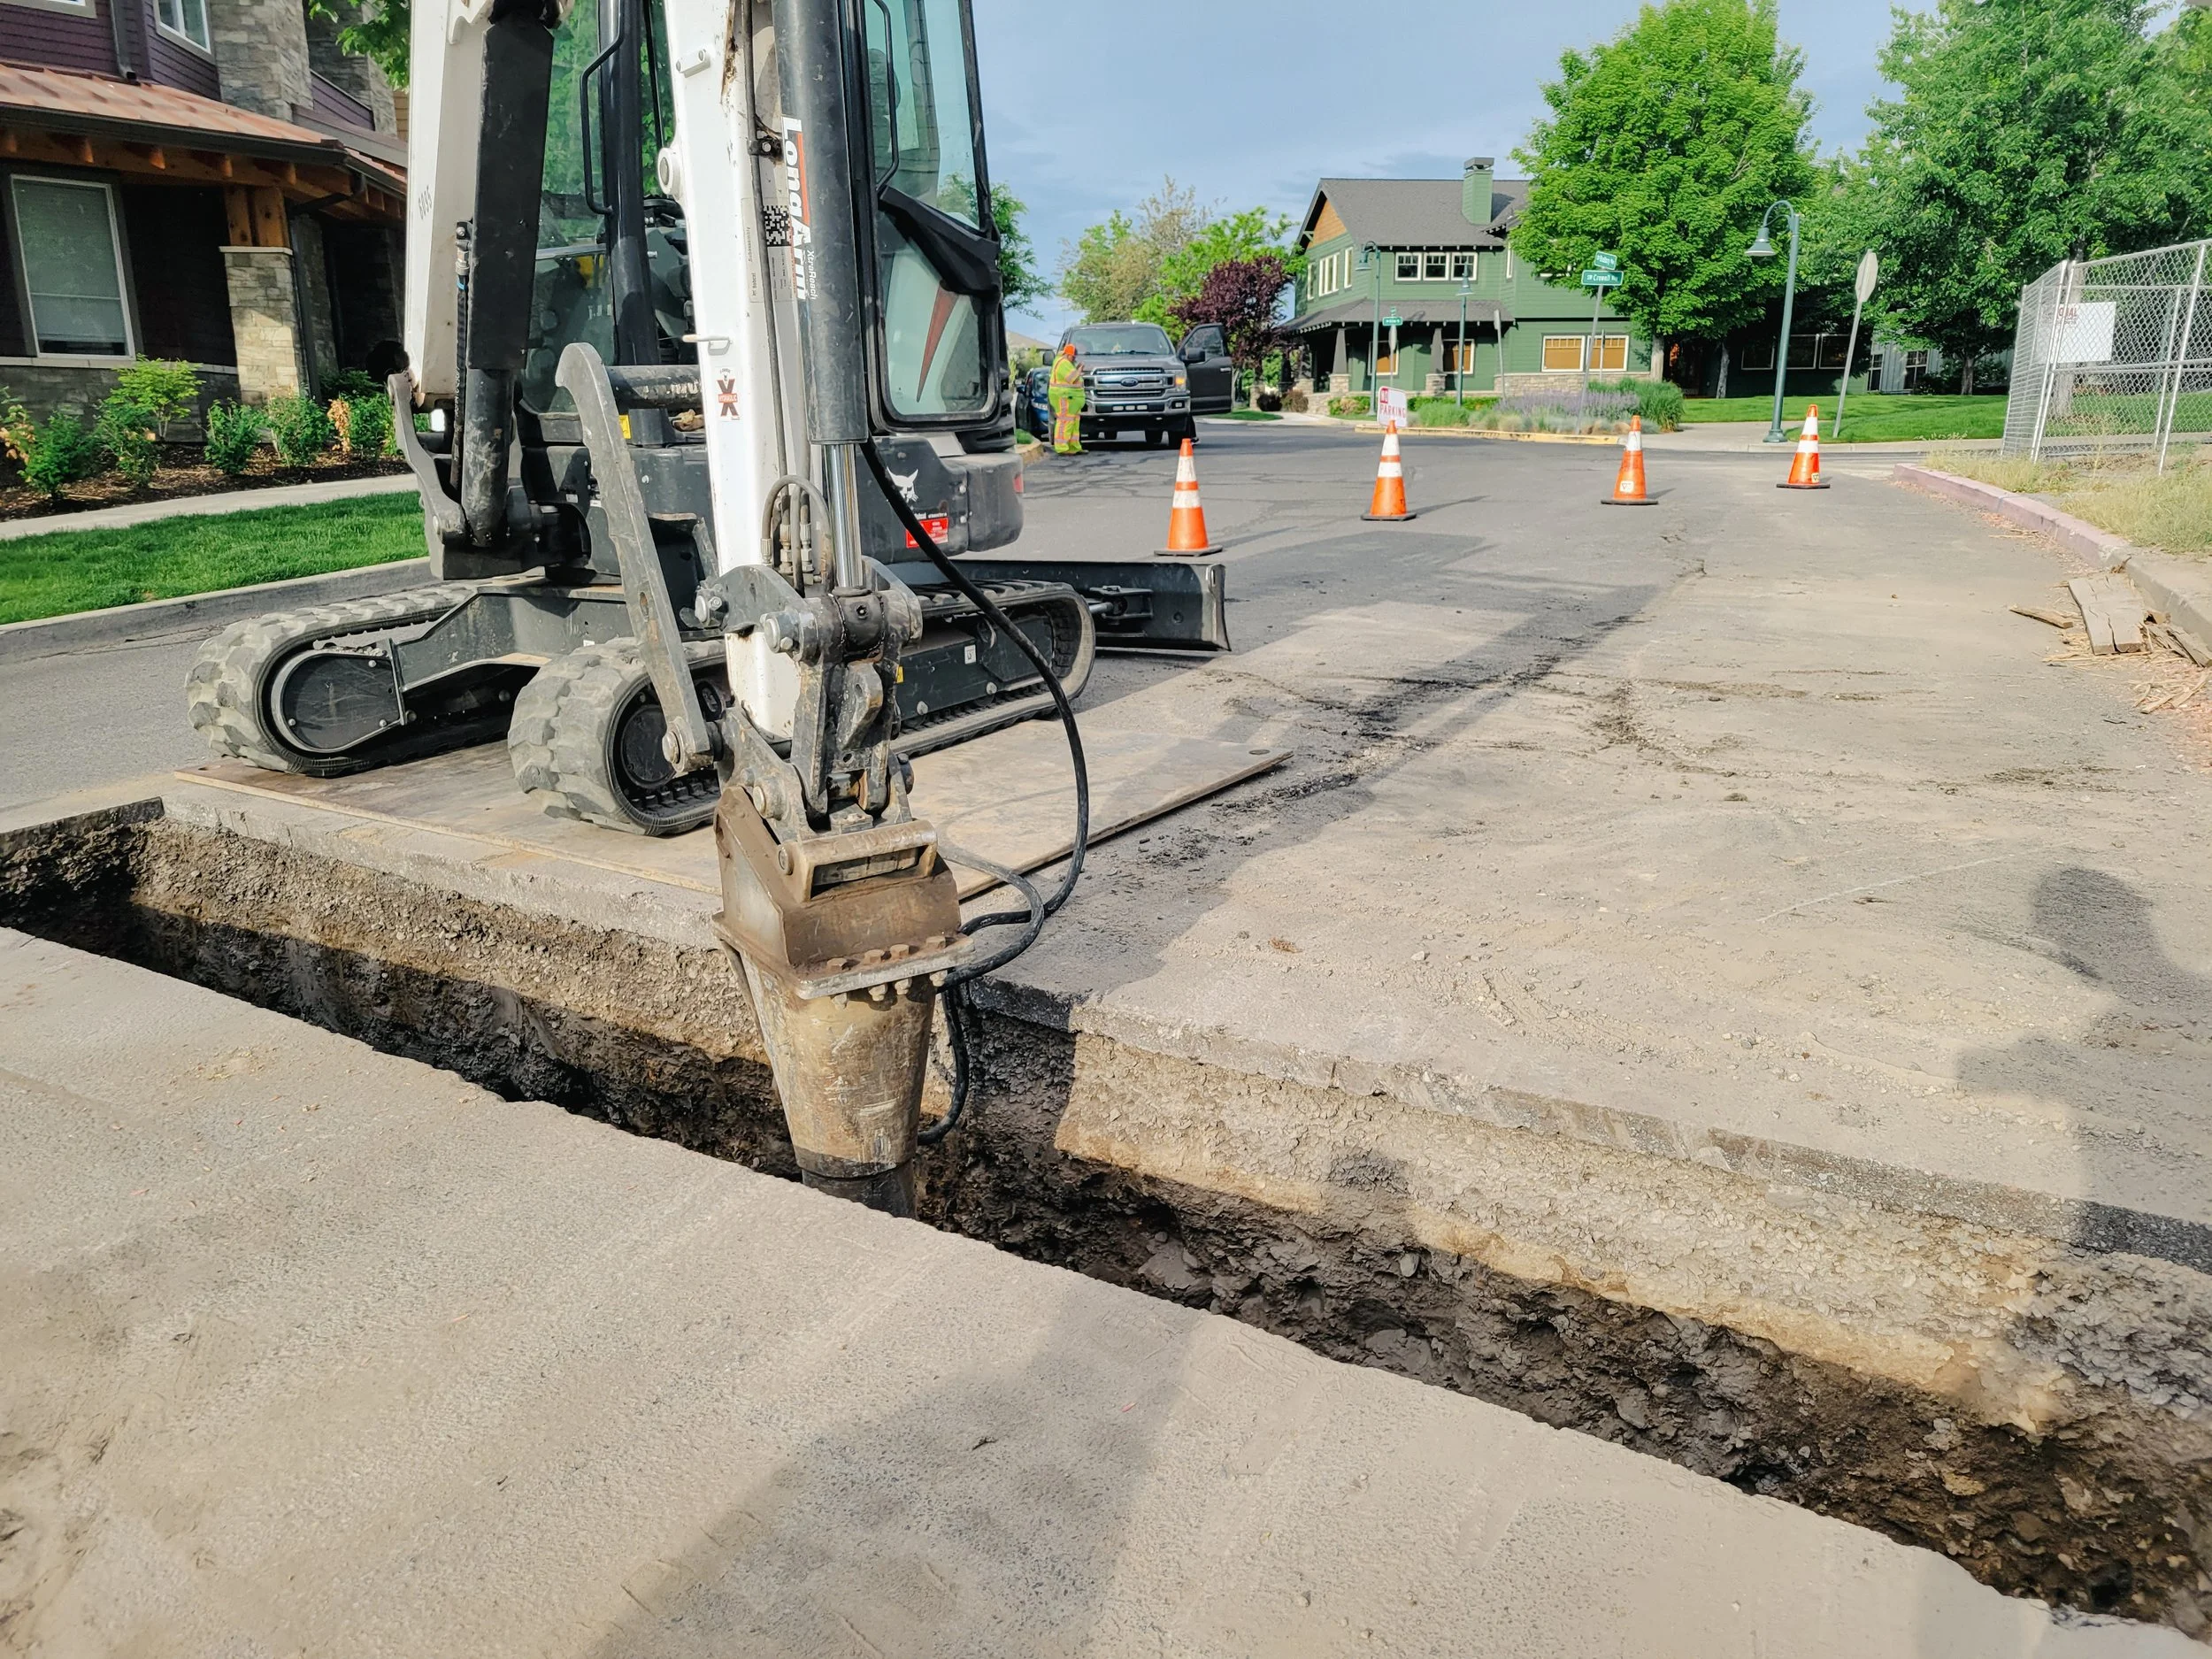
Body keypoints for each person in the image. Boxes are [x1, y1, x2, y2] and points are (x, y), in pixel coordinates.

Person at [1048, 342, 1085, 455]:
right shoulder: (1063, 362)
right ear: (1068, 355)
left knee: (1073, 422)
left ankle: (1074, 447)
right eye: (1073, 357)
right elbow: (1072, 378)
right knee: (1065, 421)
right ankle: (1062, 447)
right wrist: (1079, 370)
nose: (1074, 359)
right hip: (1064, 396)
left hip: (1071, 397)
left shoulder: (1065, 363)